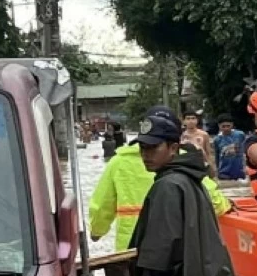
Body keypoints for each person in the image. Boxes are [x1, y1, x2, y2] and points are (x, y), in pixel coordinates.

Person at [115, 109, 238, 276]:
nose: (146, 155)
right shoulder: (191, 178)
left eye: (153, 148)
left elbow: (163, 246)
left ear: (173, 148)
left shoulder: (167, 186)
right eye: (143, 148)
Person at [90, 107, 231, 252]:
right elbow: (216, 203)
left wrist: (97, 231)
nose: (146, 155)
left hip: (129, 248)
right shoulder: (185, 162)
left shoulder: (118, 162)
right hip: (173, 250)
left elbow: (102, 205)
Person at [181, 110, 216, 178]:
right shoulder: (181, 136)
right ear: (184, 121)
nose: (191, 121)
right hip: (187, 165)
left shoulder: (204, 134)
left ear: (197, 120)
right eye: (188, 118)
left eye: (193, 118)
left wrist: (211, 167)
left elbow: (208, 153)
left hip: (202, 164)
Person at [211, 114, 246, 181]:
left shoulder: (240, 135)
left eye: (228, 126)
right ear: (219, 126)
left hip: (239, 171)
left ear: (232, 125)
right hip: (224, 172)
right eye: (223, 126)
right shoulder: (217, 139)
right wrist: (217, 169)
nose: (226, 128)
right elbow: (217, 156)